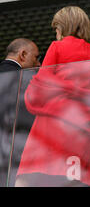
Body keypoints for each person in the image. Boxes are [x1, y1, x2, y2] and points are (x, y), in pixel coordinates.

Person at [15, 6, 90, 187]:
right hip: (82, 132)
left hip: (51, 128)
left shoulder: (57, 47)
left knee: (27, 180)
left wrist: (46, 103)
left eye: (56, 30)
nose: (56, 35)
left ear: (62, 28)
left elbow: (38, 90)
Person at [0, 38, 40, 187]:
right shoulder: (25, 79)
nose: (38, 64)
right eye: (36, 58)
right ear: (23, 55)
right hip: (13, 152)